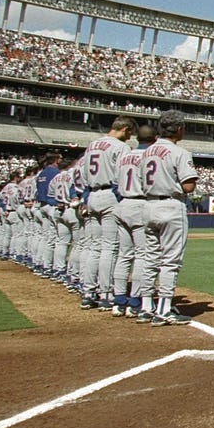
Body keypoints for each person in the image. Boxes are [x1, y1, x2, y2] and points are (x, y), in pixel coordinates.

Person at [137, 110, 197, 326]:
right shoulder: (179, 152)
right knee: (170, 261)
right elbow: (188, 185)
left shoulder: (146, 152)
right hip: (171, 206)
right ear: (179, 129)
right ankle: (163, 310)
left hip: (148, 204)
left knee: (150, 258)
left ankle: (145, 307)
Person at [79, 115, 135, 311]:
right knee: (110, 247)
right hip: (109, 194)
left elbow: (83, 176)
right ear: (125, 129)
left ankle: (88, 292)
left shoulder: (92, 145)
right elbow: (123, 177)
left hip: (92, 195)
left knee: (95, 246)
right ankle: (106, 293)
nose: (130, 137)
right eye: (129, 133)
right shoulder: (120, 147)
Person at [111, 124, 156, 318]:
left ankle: (119, 300)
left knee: (124, 255)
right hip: (140, 204)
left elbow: (115, 183)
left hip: (123, 204)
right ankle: (135, 301)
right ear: (154, 139)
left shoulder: (125, 155)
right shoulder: (150, 156)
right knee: (142, 255)